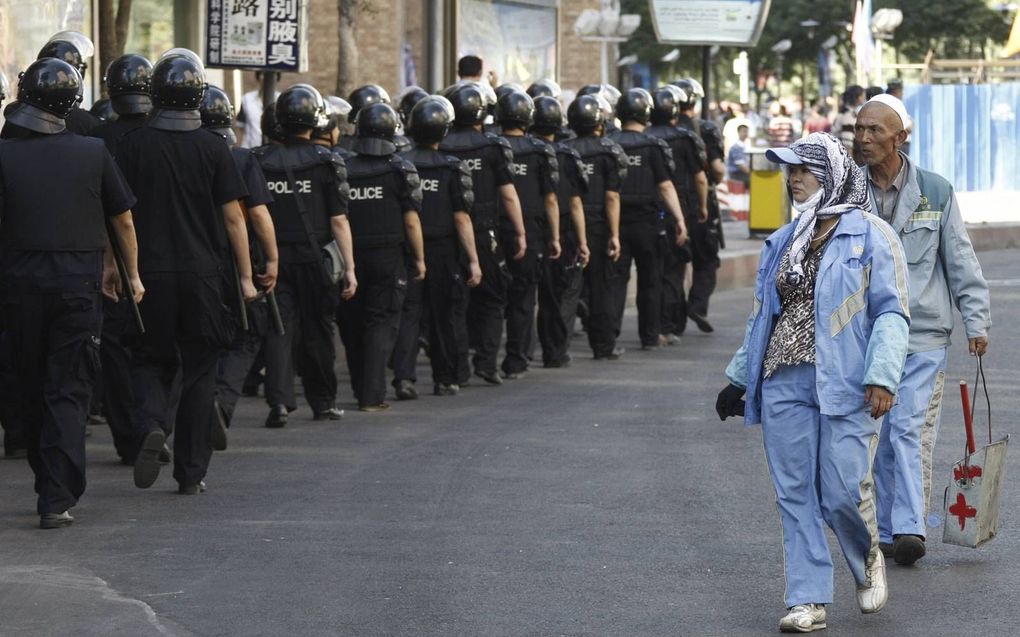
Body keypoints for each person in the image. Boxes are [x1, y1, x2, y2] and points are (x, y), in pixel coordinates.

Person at [717, 132, 910, 632]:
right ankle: (807, 599)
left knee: (842, 488)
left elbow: (891, 313)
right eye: (789, 171)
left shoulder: (871, 235)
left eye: (803, 170)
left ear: (831, 175)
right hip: (783, 379)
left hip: (847, 381)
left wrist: (883, 375)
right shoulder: (783, 240)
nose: (793, 180)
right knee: (795, 491)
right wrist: (740, 379)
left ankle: (866, 555)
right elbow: (764, 316)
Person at [0, 57, 141, 528]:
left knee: (31, 381)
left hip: (18, 281)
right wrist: (128, 273)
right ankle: (57, 495)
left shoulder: (4, 154)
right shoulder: (92, 152)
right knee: (68, 386)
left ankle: (49, 482)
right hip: (77, 282)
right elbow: (121, 219)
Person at [855, 94, 991, 566]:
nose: (865, 138)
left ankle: (909, 528)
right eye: (860, 129)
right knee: (880, 431)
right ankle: (891, 528)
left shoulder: (936, 190)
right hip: (867, 338)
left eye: (875, 130)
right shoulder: (848, 192)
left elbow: (959, 259)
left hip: (923, 337)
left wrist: (976, 319)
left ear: (901, 137)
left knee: (906, 429)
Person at [115, 52, 256, 495]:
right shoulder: (215, 147)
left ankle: (154, 424)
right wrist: (247, 276)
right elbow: (234, 218)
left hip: (149, 273)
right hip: (203, 274)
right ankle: (191, 472)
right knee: (200, 369)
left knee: (147, 358)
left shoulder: (133, 144)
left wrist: (121, 269)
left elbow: (119, 214)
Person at [254, 84, 354, 427]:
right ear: (317, 121)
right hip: (317, 259)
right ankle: (323, 401)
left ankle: (279, 402)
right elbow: (338, 221)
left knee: (279, 329)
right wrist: (350, 269)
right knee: (318, 330)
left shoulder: (260, 161)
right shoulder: (328, 162)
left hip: (273, 259)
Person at [89, 53, 163, 466]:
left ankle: (129, 438)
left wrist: (110, 261)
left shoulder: (97, 140)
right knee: (162, 349)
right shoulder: (167, 137)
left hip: (110, 262)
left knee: (115, 352)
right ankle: (157, 421)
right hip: (164, 258)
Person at [200, 85, 280, 441]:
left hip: (188, 259)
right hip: (233, 260)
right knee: (244, 336)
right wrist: (271, 260)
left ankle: (167, 417)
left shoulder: (176, 153)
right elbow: (257, 216)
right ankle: (219, 401)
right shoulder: (242, 159)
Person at [335, 102, 424, 411]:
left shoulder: (342, 166)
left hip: (351, 257)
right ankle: (371, 396)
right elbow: (411, 220)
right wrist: (420, 258)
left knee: (353, 323)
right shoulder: (400, 169)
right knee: (380, 324)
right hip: (389, 257)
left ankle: (362, 386)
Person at [439, 83, 526, 386]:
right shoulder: (492, 147)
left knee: (455, 303)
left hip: (446, 234)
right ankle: (486, 363)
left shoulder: (442, 145)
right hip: (484, 231)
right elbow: (509, 195)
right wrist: (520, 231)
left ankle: (457, 370)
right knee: (491, 298)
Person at [398, 96, 482, 396]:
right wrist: (473, 259)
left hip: (406, 249)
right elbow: (461, 218)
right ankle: (445, 376)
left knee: (409, 314)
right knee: (444, 314)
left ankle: (404, 376)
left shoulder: (402, 163)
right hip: (444, 249)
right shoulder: (451, 167)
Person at [608, 88, 688, 350]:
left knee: (616, 280)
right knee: (650, 280)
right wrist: (679, 219)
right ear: (646, 113)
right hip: (648, 223)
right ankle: (650, 336)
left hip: (616, 222)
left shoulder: (611, 143)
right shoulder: (653, 147)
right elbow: (665, 187)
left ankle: (608, 338)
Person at [494, 89, 561, 379]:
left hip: (493, 229)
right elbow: (551, 199)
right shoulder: (539, 150)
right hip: (530, 231)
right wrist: (556, 236)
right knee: (523, 298)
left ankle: (484, 359)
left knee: (494, 298)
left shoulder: (491, 147)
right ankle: (515, 361)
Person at [562, 95, 627, 360]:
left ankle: (557, 350)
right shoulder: (608, 151)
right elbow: (612, 197)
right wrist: (614, 235)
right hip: (599, 226)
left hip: (567, 224)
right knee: (602, 287)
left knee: (567, 288)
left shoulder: (564, 149)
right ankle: (603, 346)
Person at [645, 85, 708, 345]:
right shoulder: (684, 138)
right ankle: (668, 325)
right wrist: (703, 206)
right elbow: (700, 178)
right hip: (678, 207)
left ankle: (651, 328)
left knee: (652, 271)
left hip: (648, 208)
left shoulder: (645, 137)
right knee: (674, 268)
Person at [531, 95, 589, 367]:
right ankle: (555, 351)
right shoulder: (566, 156)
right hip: (559, 233)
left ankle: (520, 354)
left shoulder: (519, 150)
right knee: (558, 295)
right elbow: (574, 204)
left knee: (526, 297)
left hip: (526, 229)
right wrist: (582, 241)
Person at [674, 78, 724, 334]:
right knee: (707, 260)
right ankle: (697, 304)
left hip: (670, 205)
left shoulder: (660, 130)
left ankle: (672, 323)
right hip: (700, 204)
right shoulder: (705, 129)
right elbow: (717, 170)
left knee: (674, 264)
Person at [236, 70, 281, 148]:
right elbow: (240, 126)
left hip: (273, 150)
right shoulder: (247, 99)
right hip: (250, 149)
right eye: (262, 74)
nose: (265, 78)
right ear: (258, 76)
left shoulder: (281, 100)